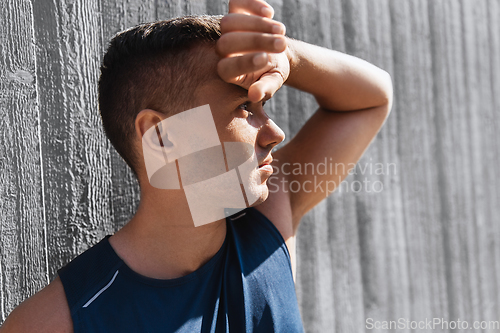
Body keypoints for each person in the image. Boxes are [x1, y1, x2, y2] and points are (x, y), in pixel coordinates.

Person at [0, 0, 393, 331]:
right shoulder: (58, 320)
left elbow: (373, 97)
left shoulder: (267, 227)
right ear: (162, 137)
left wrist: (284, 54)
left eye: (262, 106)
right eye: (244, 107)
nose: (275, 132)